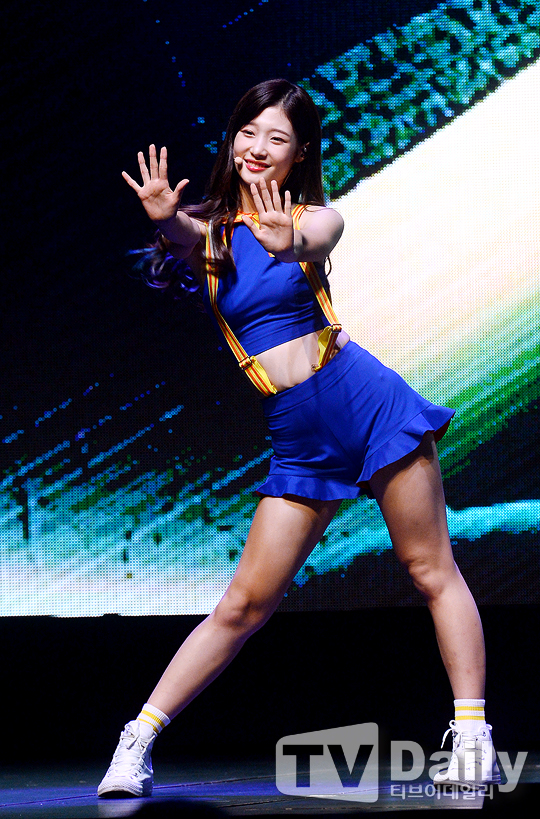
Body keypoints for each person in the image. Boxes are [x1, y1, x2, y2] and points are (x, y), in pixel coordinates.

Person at [98, 79, 499, 797]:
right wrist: (167, 218)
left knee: (430, 569)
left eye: (276, 138)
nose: (258, 147)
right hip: (299, 435)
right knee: (243, 605)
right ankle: (136, 742)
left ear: (300, 153)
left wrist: (288, 242)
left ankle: (473, 738)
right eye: (248, 132)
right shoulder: (213, 234)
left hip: (366, 403)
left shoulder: (315, 218)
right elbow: (189, 237)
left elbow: (312, 238)